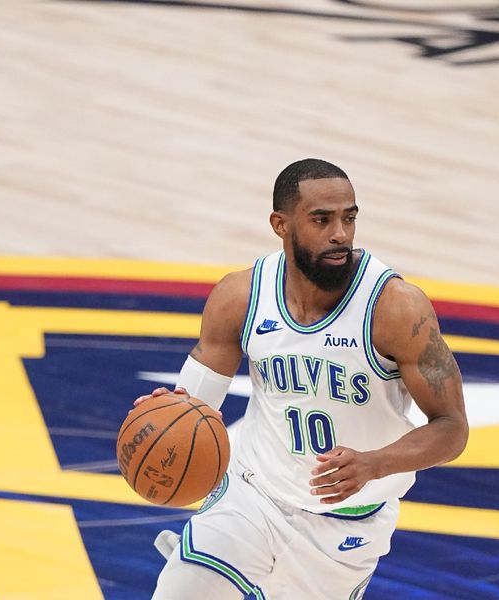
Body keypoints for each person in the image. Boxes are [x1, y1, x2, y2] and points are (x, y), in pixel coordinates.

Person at [137, 158, 468, 600]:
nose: (340, 234)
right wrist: (169, 412)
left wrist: (375, 463)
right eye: (322, 219)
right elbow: (194, 404)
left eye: (349, 218)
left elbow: (452, 428)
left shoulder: (396, 309)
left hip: (347, 524)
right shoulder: (241, 296)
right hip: (252, 497)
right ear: (281, 224)